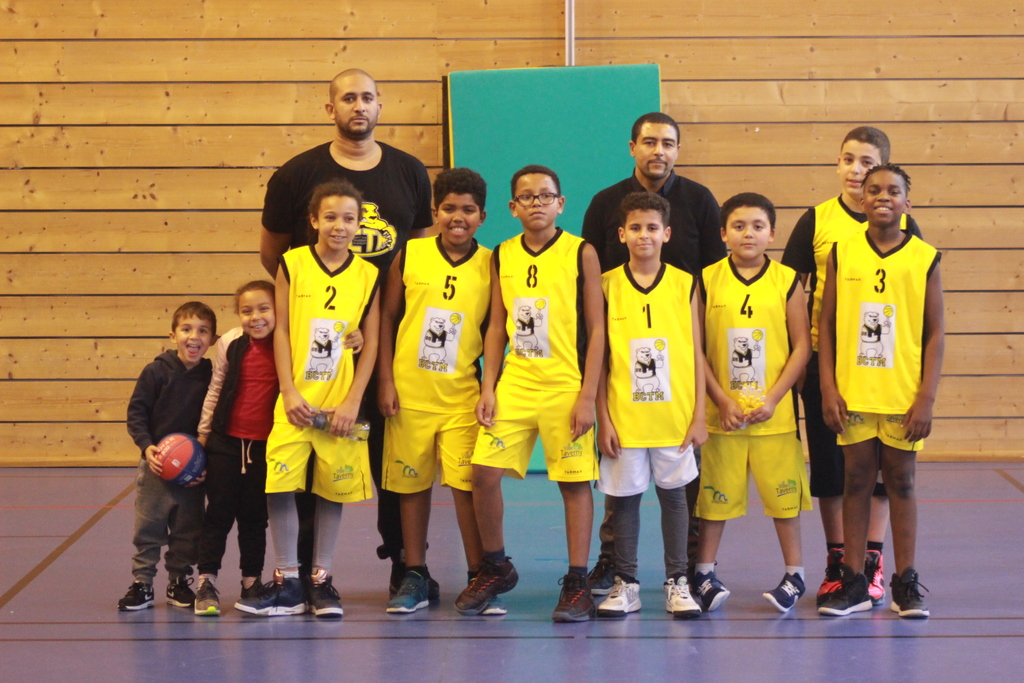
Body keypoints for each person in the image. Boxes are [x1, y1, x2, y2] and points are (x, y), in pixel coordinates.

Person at [258, 68, 433, 596]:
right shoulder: (296, 174)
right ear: (330, 108)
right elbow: (274, 255)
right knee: (311, 449)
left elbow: (419, 253)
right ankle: (304, 574)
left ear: (381, 105)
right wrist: (331, 311)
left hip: (389, 337)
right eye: (349, 98)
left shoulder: (409, 172)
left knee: (389, 452)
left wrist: (368, 319)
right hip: (317, 347)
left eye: (368, 98)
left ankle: (405, 566)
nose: (359, 106)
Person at [582, 111, 724, 593]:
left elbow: (712, 275)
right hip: (623, 352)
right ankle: (615, 565)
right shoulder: (605, 204)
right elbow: (590, 270)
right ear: (633, 147)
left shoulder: (699, 201)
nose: (658, 150)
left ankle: (686, 570)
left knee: (681, 485)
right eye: (649, 142)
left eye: (667, 142)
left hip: (677, 363)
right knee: (621, 486)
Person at [781, 127, 923, 608]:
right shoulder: (816, 220)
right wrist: (799, 361)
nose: (856, 170)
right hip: (829, 365)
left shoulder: (906, 226)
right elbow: (793, 293)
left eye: (867, 162)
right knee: (833, 469)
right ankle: (840, 563)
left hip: (888, 370)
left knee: (883, 471)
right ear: (838, 164)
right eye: (848, 159)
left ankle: (874, 562)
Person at [455, 165, 604, 622]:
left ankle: (577, 581)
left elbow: (598, 328)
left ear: (561, 203)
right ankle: (496, 566)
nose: (536, 203)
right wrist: (489, 385)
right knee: (482, 473)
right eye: (526, 196)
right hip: (516, 384)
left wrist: (587, 396)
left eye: (545, 195)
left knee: (573, 483)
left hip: (565, 385)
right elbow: (496, 327)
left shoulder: (581, 252)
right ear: (512, 207)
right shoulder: (502, 254)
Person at [236, 179, 380, 618]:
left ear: (359, 224)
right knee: (280, 486)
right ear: (314, 220)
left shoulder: (368, 274)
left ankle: (321, 580)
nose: (340, 226)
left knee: (332, 490)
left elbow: (372, 340)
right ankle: (288, 581)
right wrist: (288, 390)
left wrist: (353, 401)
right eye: (331, 217)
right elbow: (281, 329)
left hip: (339, 404)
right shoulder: (292, 263)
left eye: (349, 219)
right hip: (296, 401)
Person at [817, 164, 943, 618]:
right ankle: (854, 581)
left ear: (908, 201)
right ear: (861, 198)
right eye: (874, 190)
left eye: (893, 190)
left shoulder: (924, 256)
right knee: (855, 481)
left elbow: (935, 332)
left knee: (900, 482)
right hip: (853, 392)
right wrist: (828, 387)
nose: (883, 196)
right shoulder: (843, 251)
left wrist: (926, 397)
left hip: (902, 395)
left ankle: (904, 583)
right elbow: (826, 324)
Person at [377, 168, 495, 614]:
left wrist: (489, 388)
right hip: (410, 393)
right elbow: (387, 318)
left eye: (468, 210)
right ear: (435, 212)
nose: (457, 217)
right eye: (448, 209)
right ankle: (415, 572)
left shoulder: (491, 264)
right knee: (412, 486)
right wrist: (386, 380)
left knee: (465, 486)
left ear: (482, 216)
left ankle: (478, 574)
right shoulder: (410, 254)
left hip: (461, 395)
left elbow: (497, 331)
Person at [693, 193, 813, 613]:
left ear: (772, 234)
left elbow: (802, 346)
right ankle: (703, 572)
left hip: (773, 417)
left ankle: (795, 574)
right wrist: (720, 398)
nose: (748, 233)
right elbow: (695, 349)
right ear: (723, 233)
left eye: (758, 226)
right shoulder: (706, 280)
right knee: (714, 500)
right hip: (722, 417)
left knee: (784, 500)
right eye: (739, 226)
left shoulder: (786, 280)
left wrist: (775, 397)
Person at [594, 192, 705, 619]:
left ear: (667, 233)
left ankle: (678, 581)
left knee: (675, 500)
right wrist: (603, 418)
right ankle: (626, 582)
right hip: (624, 417)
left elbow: (696, 352)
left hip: (674, 417)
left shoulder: (684, 283)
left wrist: (699, 414)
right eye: (636, 228)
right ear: (622, 234)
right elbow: (600, 359)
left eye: (653, 228)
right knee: (624, 502)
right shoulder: (606, 285)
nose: (645, 235)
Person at [119, 302, 217, 611]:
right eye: (186, 329)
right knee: (148, 529)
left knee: (188, 532)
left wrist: (207, 463)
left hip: (192, 475)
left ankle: (178, 582)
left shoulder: (212, 377)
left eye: (203, 331)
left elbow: (216, 423)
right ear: (173, 335)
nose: (194, 336)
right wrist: (146, 446)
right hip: (156, 468)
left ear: (213, 340)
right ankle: (142, 583)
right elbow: (136, 413)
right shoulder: (156, 372)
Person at [192, 281, 278, 616]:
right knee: (218, 515)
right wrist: (203, 438)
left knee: (254, 519)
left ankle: (251, 582)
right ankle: (206, 582)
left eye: (264, 309)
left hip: (264, 448)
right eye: (246, 311)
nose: (255, 317)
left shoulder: (287, 341)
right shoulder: (230, 342)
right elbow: (216, 389)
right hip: (225, 444)